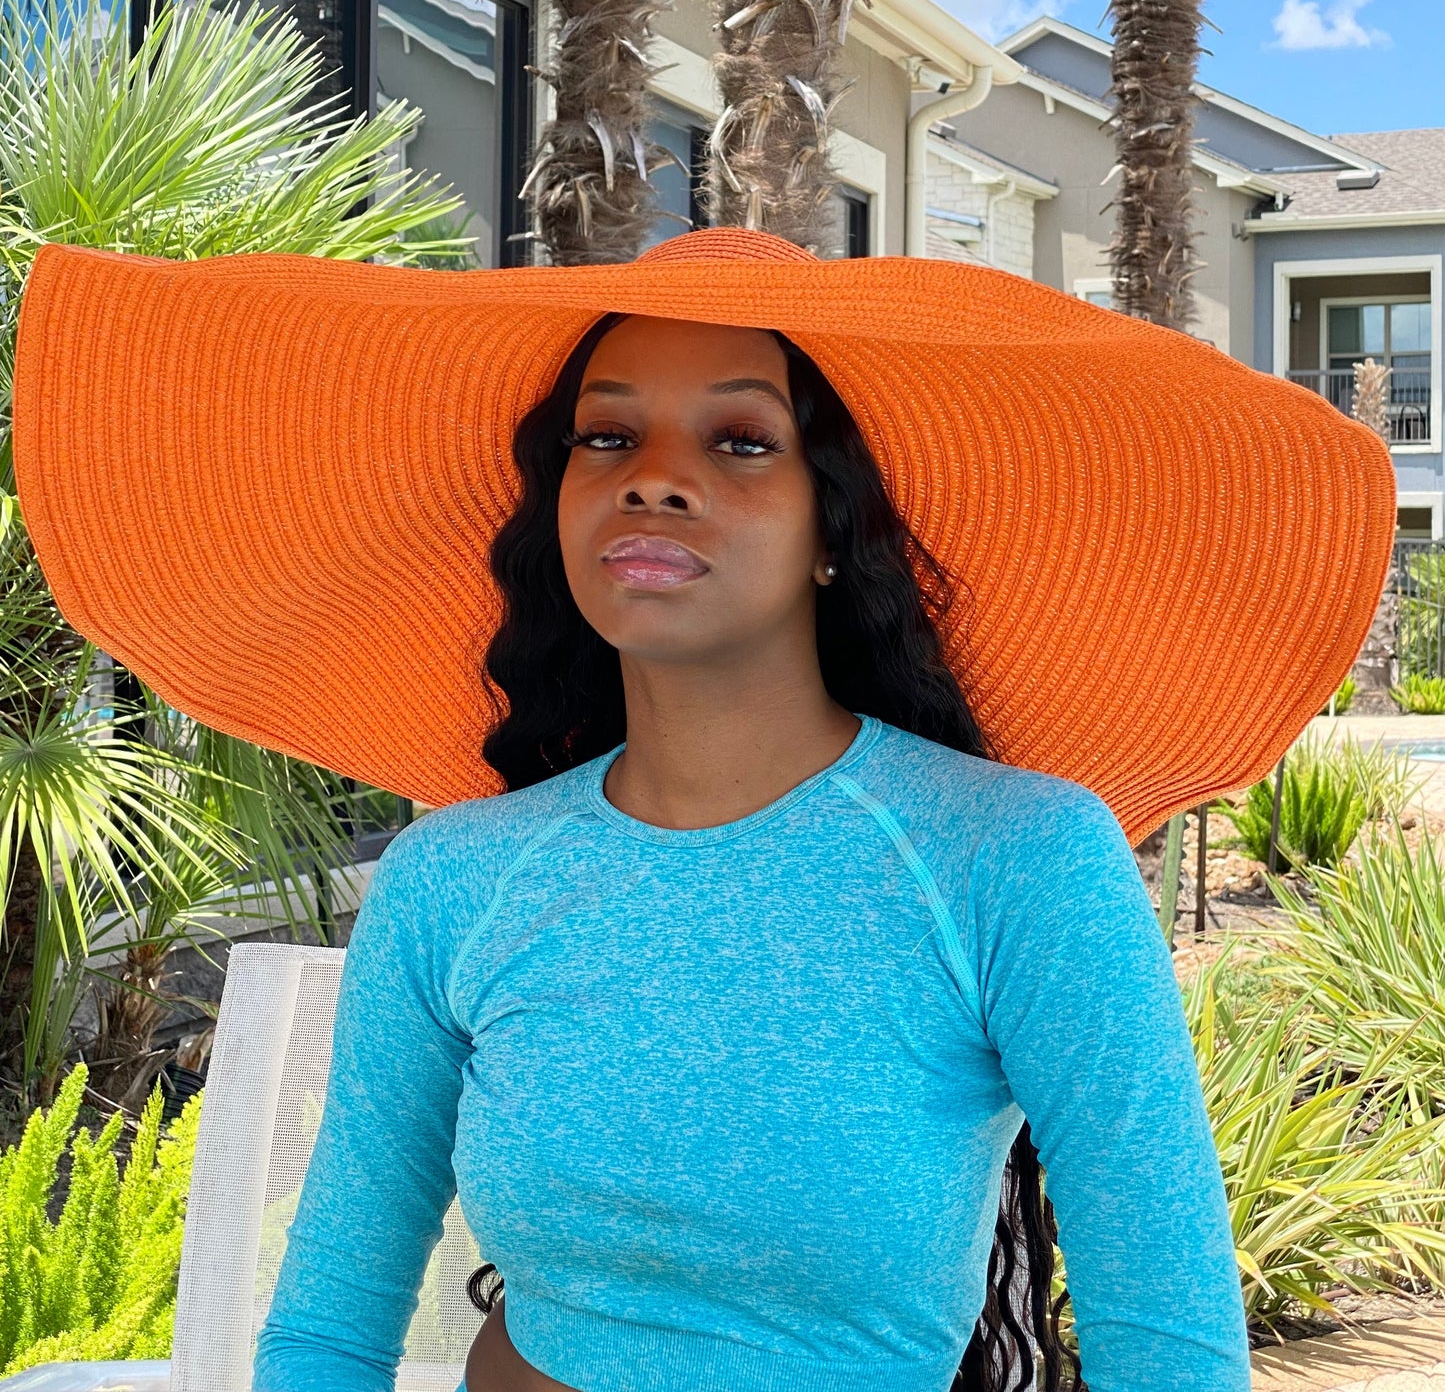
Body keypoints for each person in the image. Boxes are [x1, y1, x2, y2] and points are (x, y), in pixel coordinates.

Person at [12, 228, 1395, 1392]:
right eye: (602, 433)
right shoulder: (451, 880)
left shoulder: (1013, 859)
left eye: (739, 440)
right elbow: (328, 1316)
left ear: (829, 532)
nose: (652, 473)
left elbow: (1171, 1337)